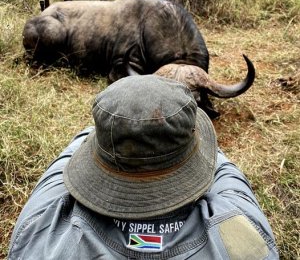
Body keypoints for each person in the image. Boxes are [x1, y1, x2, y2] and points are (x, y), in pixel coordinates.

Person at [8, 75, 279, 259]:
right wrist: (183, 134)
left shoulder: (38, 233)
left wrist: (115, 128)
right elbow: (223, 170)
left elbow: (63, 164)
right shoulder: (247, 236)